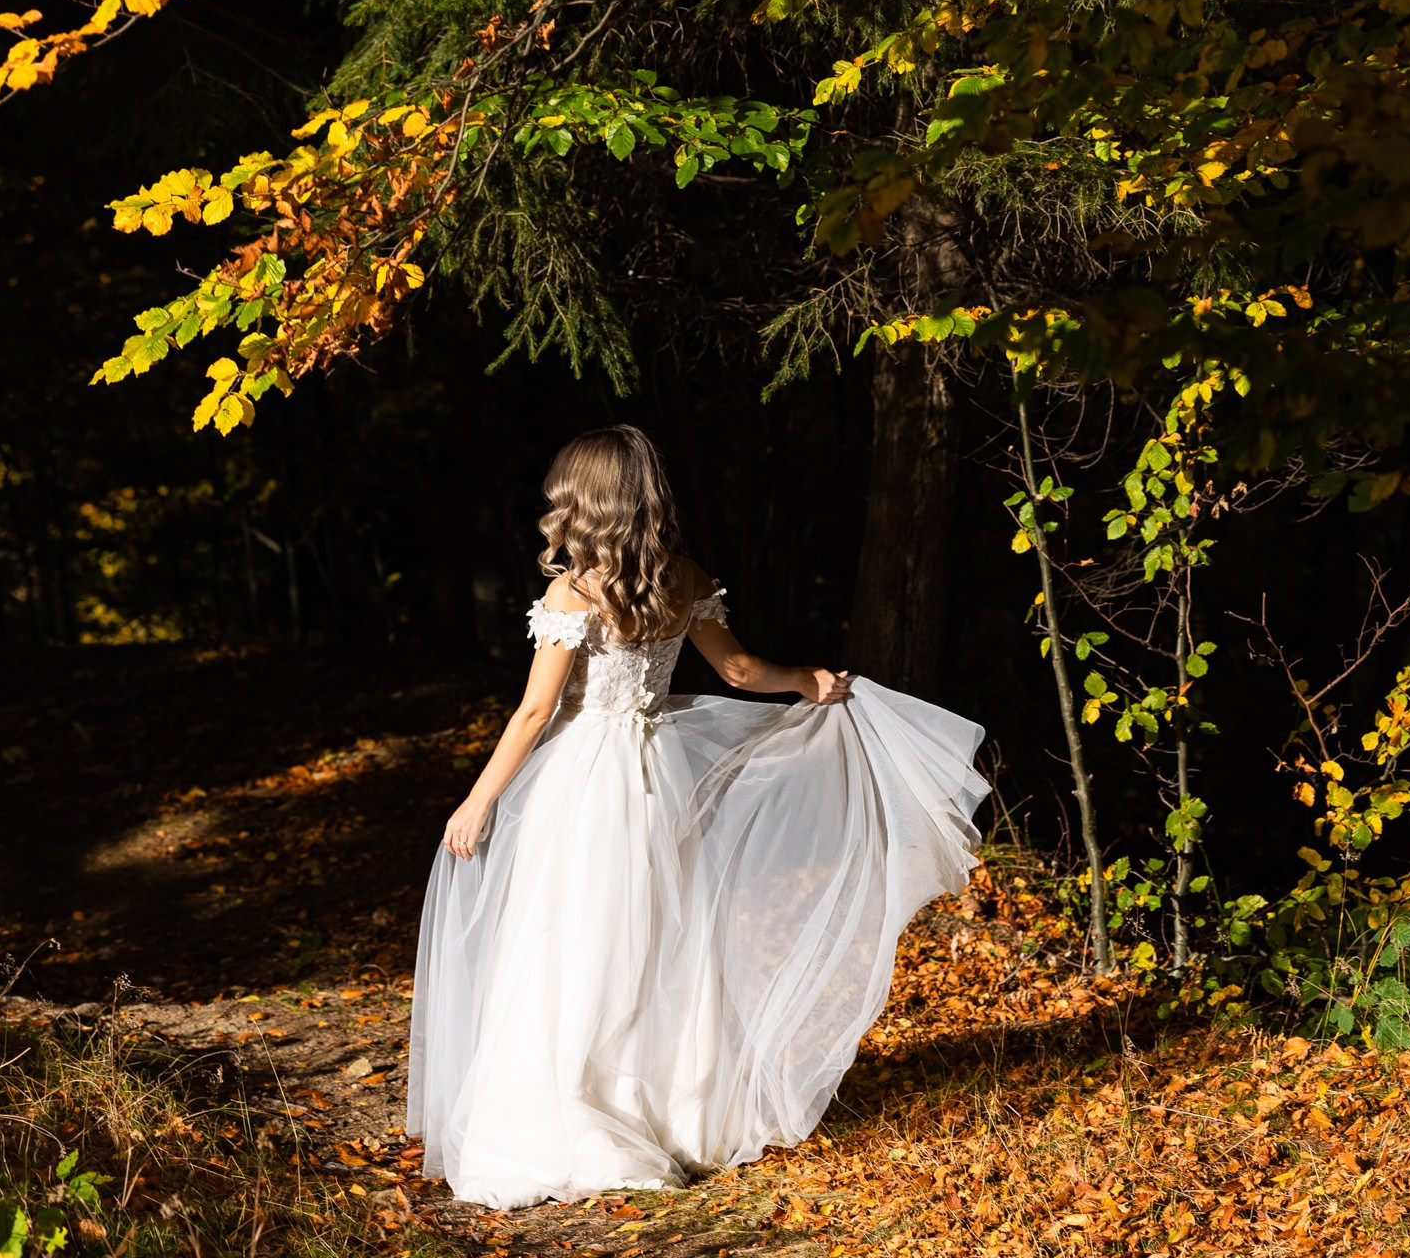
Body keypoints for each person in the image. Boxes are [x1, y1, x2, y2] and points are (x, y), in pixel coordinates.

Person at [406, 424, 986, 1209]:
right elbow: (740, 670)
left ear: (588, 502)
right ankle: (664, 1106)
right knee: (651, 936)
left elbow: (537, 710)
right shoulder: (683, 578)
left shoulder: (574, 592)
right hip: (659, 777)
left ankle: (569, 1104)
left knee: (567, 934)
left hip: (584, 782)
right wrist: (805, 681)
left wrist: (478, 798)